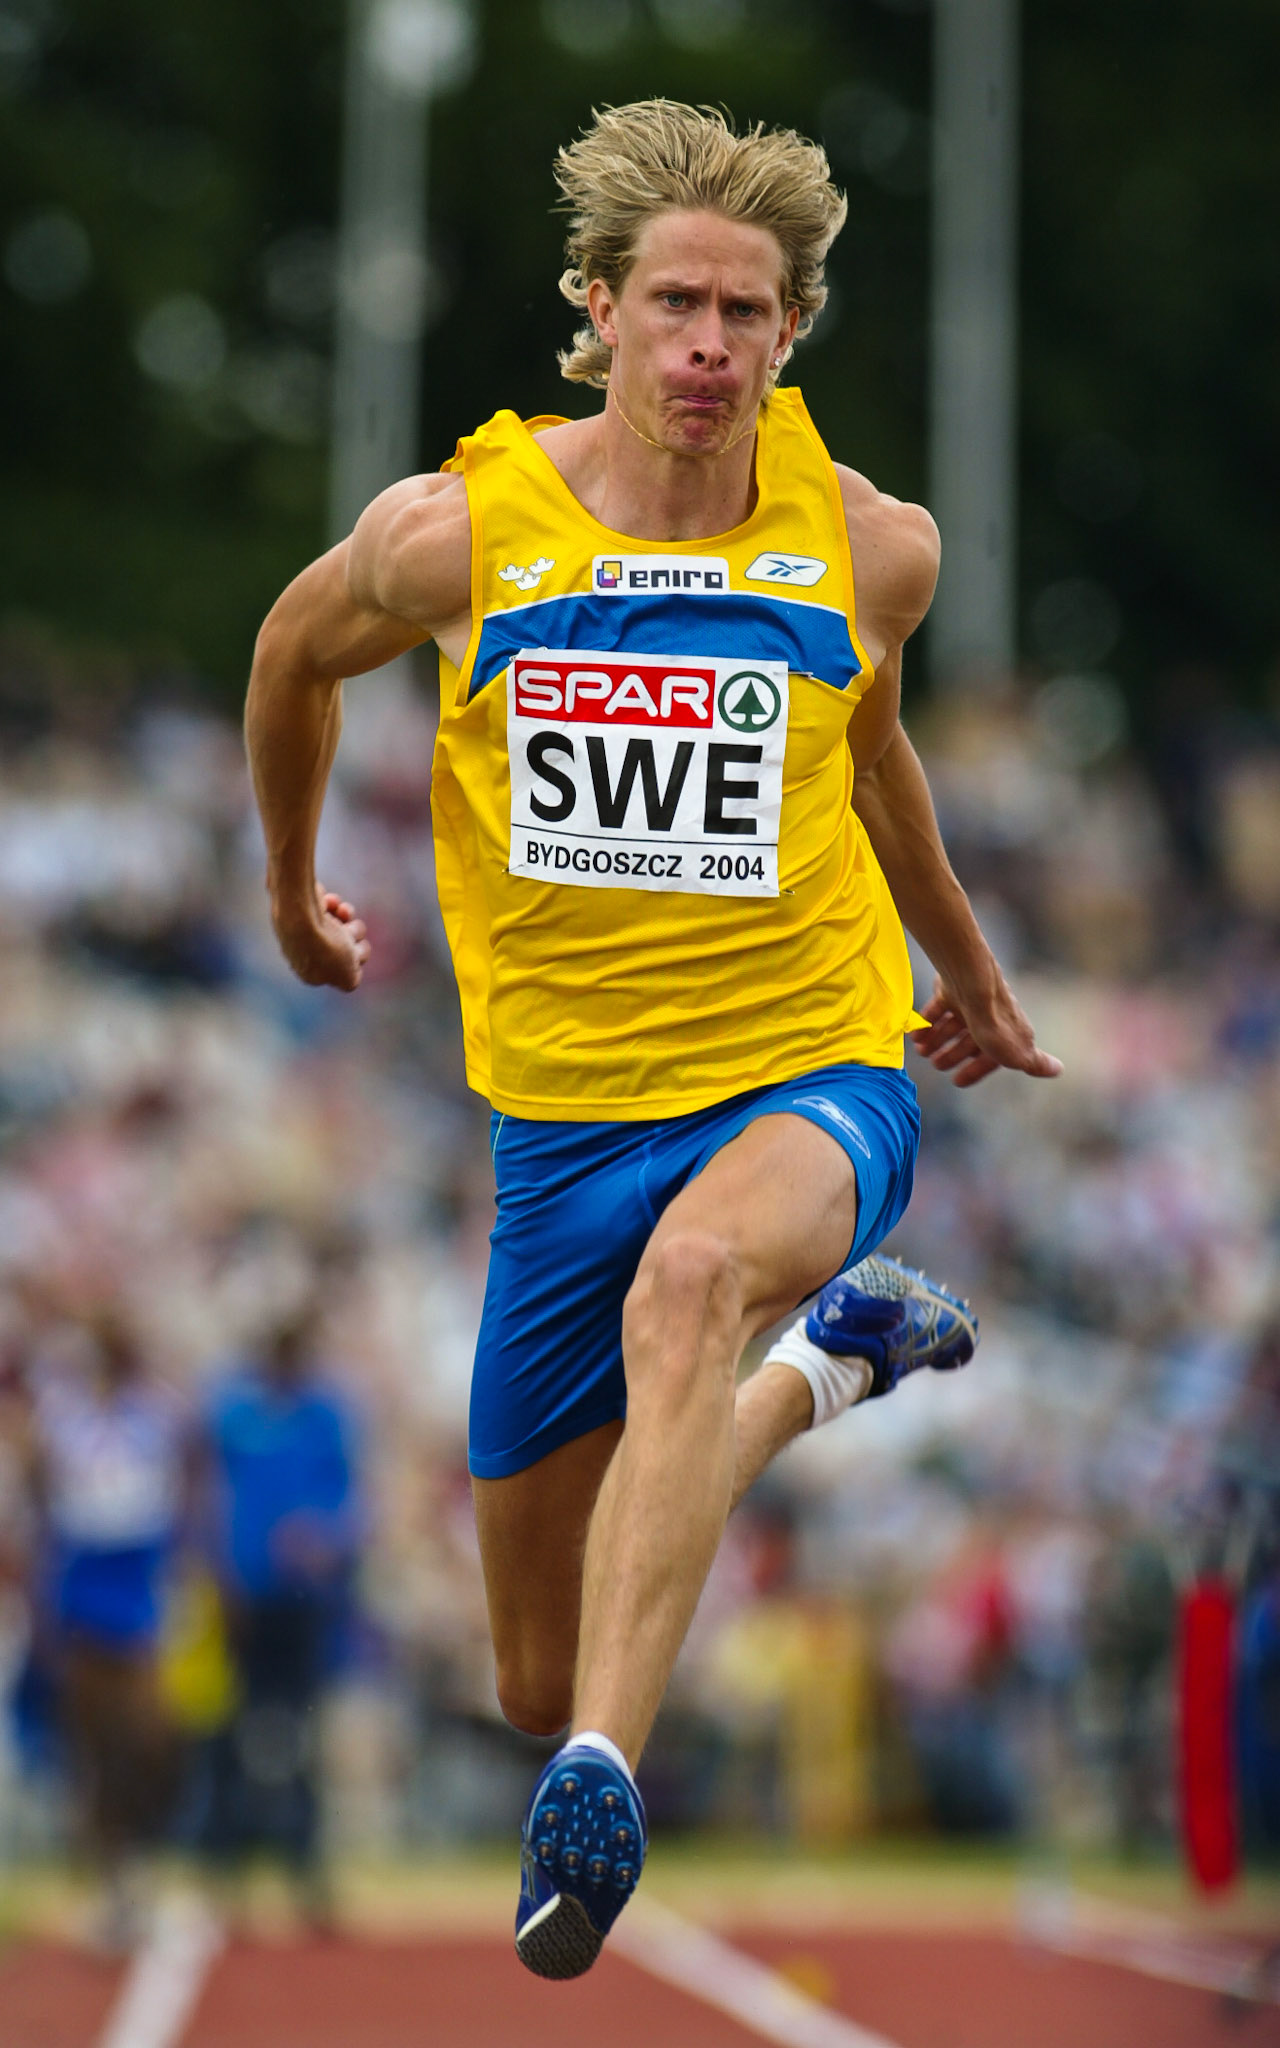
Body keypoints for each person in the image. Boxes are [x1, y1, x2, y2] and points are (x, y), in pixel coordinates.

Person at [244, 100, 1061, 1978]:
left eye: (746, 311)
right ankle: (831, 1367)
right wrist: (292, 892)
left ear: (792, 332)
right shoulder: (457, 536)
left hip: (806, 1075)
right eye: (675, 302)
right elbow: (290, 662)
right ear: (595, 309)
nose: (708, 344)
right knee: (530, 1662)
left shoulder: (870, 547)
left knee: (696, 1279)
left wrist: (970, 967)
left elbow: (869, 757)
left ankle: (605, 1778)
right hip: (559, 1133)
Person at [197, 1308, 362, 1921]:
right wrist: (220, 1573)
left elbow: (350, 1505)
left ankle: (304, 1867)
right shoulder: (233, 1412)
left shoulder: (327, 1415)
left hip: (302, 1603)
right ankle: (226, 1871)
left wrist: (325, 1540)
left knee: (300, 1735)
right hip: (245, 1596)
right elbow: (210, 1497)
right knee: (232, 1733)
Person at [28, 1309, 184, 1947]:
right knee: (94, 1753)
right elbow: (46, 1520)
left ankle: (136, 1858)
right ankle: (111, 1879)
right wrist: (46, 1609)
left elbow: (179, 1500)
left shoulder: (154, 1421)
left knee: (150, 1743)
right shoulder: (63, 1427)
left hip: (138, 1602)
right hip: (84, 1601)